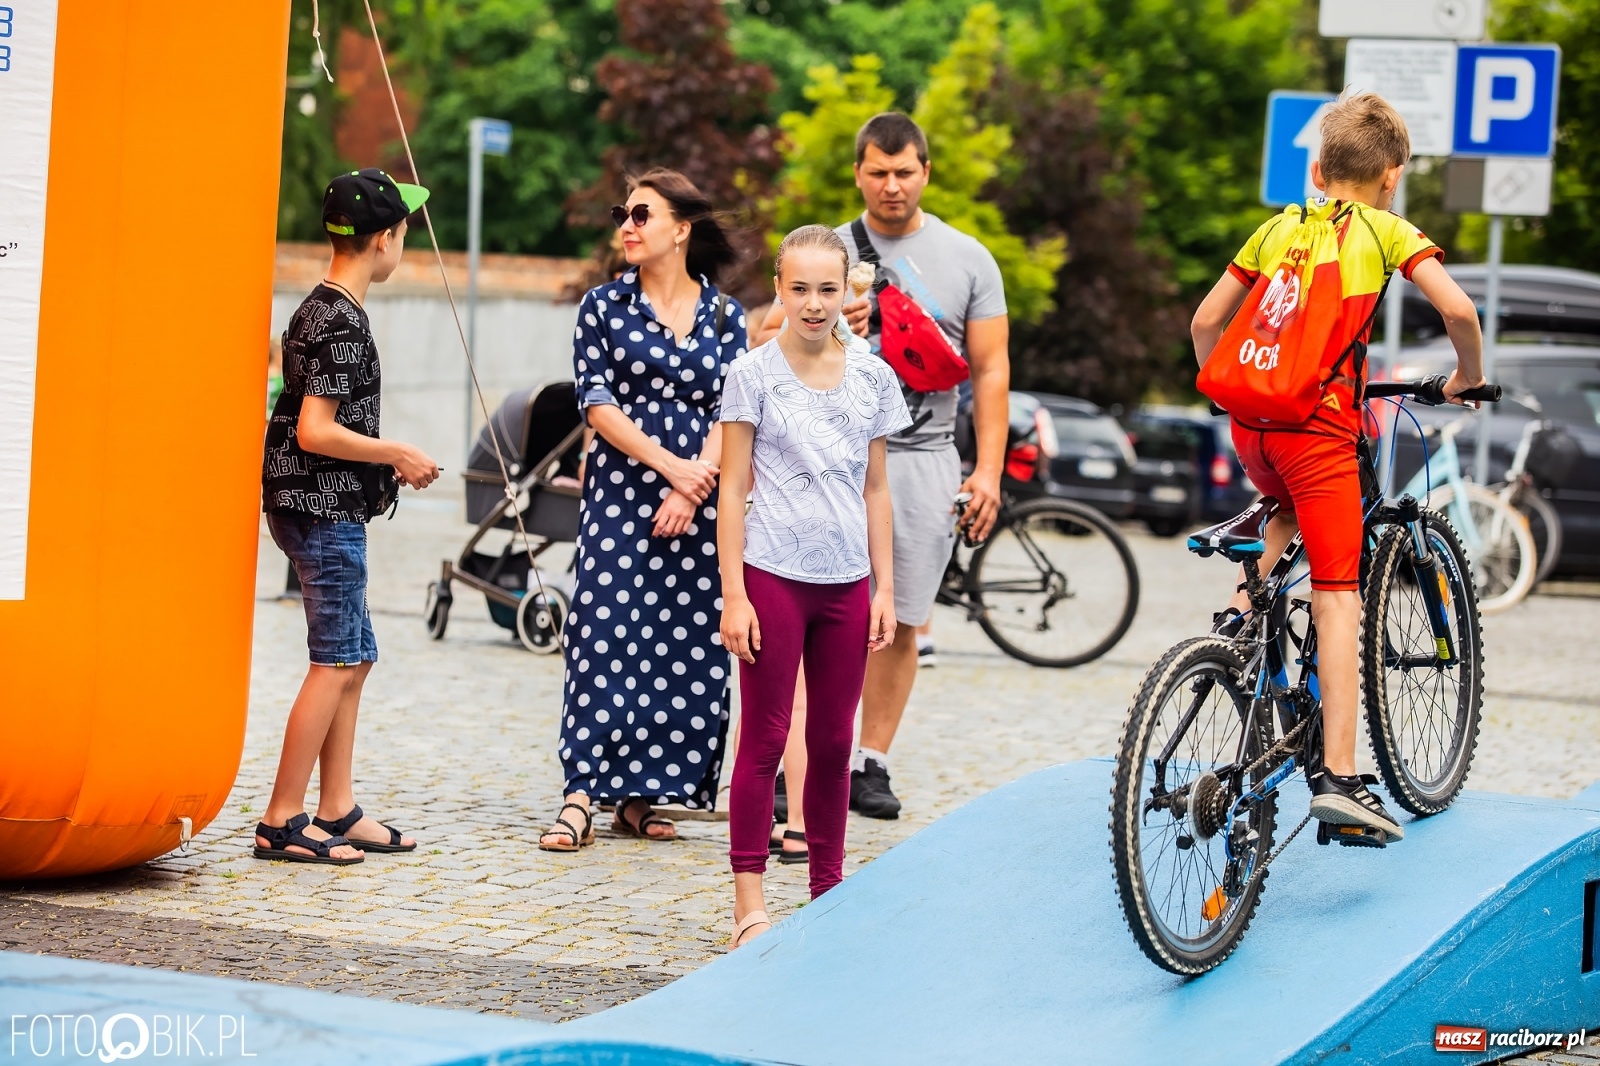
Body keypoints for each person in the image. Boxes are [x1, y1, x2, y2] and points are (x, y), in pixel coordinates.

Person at [1190, 94, 1486, 842]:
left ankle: (1239, 623)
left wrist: (1246, 404)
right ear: (1393, 176)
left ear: (1317, 170)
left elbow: (1204, 322)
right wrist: (1466, 377)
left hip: (1254, 428)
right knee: (1338, 595)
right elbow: (1459, 312)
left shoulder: (1277, 226)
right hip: (1318, 435)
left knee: (1280, 511)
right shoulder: (1386, 230)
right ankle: (1345, 781)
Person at [540, 169, 748, 852]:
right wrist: (671, 470)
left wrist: (694, 487)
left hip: (702, 498)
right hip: (623, 496)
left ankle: (640, 794)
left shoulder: (726, 316)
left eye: (640, 214)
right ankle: (581, 793)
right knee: (604, 633)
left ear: (681, 228)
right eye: (620, 215)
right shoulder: (602, 307)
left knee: (686, 641)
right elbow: (597, 404)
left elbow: (732, 410)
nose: (625, 226)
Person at [718, 225, 910, 948]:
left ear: (846, 292)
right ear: (778, 288)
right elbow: (732, 488)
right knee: (765, 739)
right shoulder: (753, 375)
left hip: (846, 585)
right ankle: (749, 901)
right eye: (798, 288)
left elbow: (877, 489)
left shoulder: (872, 377)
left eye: (827, 289)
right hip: (772, 576)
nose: (812, 303)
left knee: (833, 744)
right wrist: (734, 593)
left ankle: (827, 892)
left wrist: (885, 588)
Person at [255, 168, 440, 864]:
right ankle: (281, 818)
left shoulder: (323, 307)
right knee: (333, 663)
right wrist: (396, 453)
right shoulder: (340, 323)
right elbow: (314, 430)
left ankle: (336, 807)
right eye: (403, 233)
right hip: (322, 507)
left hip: (319, 505)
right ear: (384, 240)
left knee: (355, 658)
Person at [836, 112, 1010, 819]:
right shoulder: (827, 250)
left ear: (926, 172)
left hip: (923, 454)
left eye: (904, 171)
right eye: (877, 172)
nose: (891, 185)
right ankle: (803, 759)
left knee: (904, 618)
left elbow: (993, 369)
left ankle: (868, 762)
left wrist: (987, 470)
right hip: (834, 456)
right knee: (820, 613)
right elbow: (772, 335)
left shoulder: (969, 259)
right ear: (858, 174)